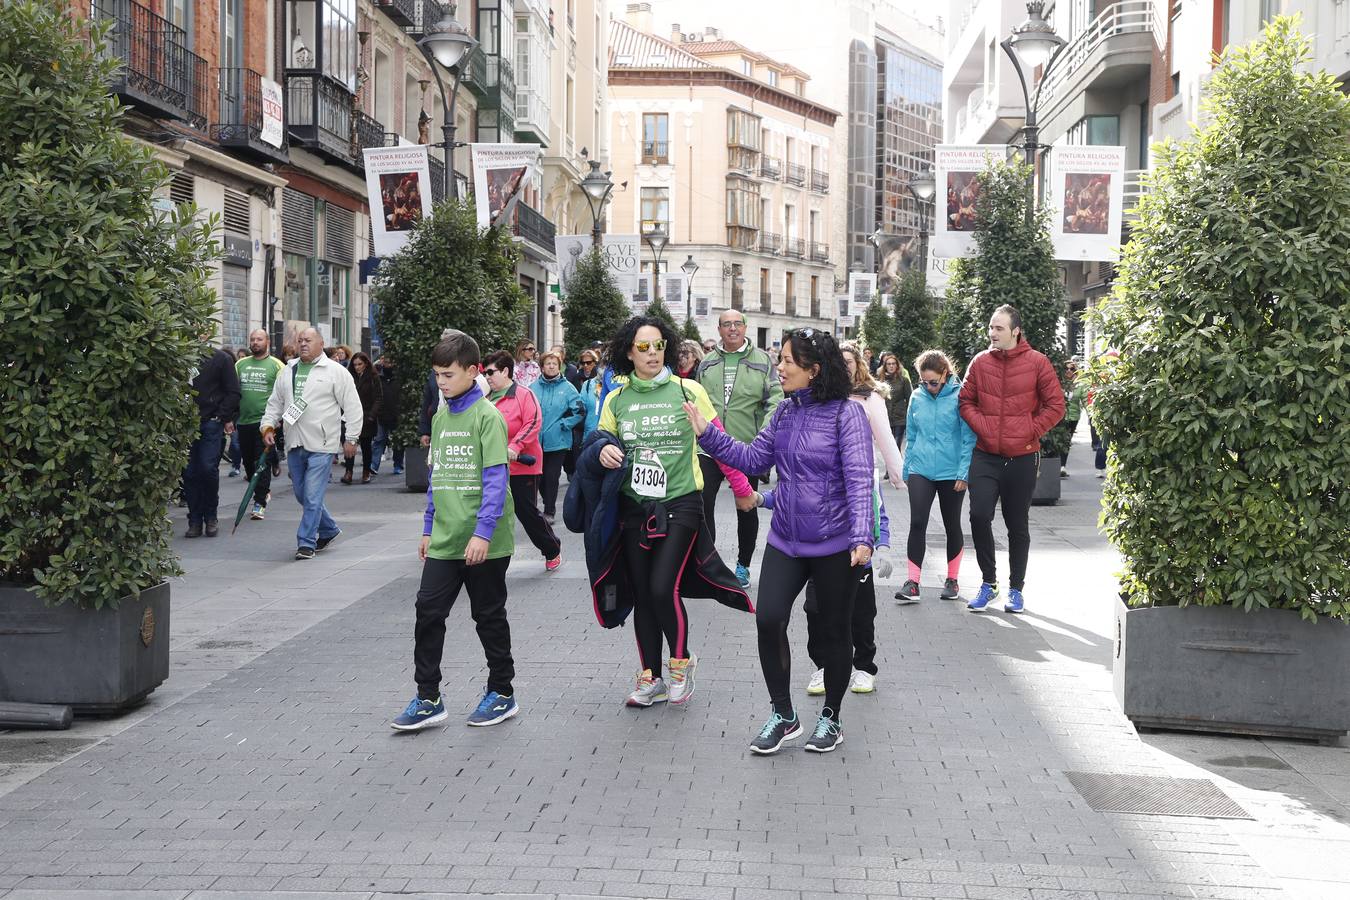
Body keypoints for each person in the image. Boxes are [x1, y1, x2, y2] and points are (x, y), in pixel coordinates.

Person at [691, 328, 874, 755]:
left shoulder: (848, 415)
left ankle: (831, 716)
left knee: (833, 632)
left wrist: (863, 538)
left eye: (789, 360)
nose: (781, 366)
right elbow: (754, 458)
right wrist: (707, 432)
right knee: (769, 618)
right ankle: (784, 715)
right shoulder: (785, 412)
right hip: (786, 539)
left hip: (835, 544)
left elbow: (861, 480)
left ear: (814, 369)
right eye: (781, 359)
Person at [585, 317, 753, 709]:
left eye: (658, 345)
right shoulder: (617, 399)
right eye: (642, 347)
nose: (651, 353)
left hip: (681, 502)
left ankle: (680, 663)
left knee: (663, 587)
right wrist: (602, 452)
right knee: (643, 594)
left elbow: (719, 440)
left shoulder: (688, 390)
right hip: (634, 508)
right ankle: (651, 676)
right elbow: (598, 444)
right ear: (629, 352)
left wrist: (742, 487)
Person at [391, 333, 520, 731]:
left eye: (448, 374)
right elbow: (437, 475)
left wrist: (482, 533)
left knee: (488, 616)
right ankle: (428, 697)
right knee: (428, 611)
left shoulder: (488, 417)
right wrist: (428, 527)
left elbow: (496, 480)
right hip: (446, 539)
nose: (441, 383)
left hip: (485, 541)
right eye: (437, 375)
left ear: (472, 371)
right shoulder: (441, 416)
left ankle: (502, 692)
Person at [959, 305, 1065, 613]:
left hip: (1022, 456)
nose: (992, 333)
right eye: (990, 327)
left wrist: (1030, 429)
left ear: (1015, 331)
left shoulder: (1037, 363)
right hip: (986, 455)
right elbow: (965, 400)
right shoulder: (980, 362)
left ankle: (1016, 589)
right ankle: (988, 583)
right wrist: (984, 426)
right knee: (979, 516)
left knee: (1017, 524)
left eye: (999, 328)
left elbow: (1055, 405)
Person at [695, 310, 784, 588]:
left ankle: (743, 566)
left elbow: (775, 399)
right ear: (719, 330)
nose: (732, 329)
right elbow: (696, 399)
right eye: (726, 324)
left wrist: (765, 435)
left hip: (746, 448)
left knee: (746, 504)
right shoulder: (707, 363)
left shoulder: (762, 361)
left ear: (745, 328)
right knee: (703, 501)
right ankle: (708, 563)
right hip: (709, 446)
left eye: (737, 324)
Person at [260, 327, 364, 560]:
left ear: (321, 343)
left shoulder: (336, 371)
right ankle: (329, 529)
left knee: (313, 494)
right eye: (300, 340)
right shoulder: (288, 370)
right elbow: (275, 403)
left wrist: (352, 438)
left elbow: (353, 406)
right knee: (302, 494)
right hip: (295, 442)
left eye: (308, 340)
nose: (303, 344)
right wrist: (267, 426)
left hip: (323, 443)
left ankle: (306, 542)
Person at [897, 350, 977, 604]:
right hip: (921, 469)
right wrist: (907, 469)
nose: (929, 387)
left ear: (945, 374)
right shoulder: (917, 397)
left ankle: (952, 579)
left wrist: (964, 472)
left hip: (951, 471)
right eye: (924, 382)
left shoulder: (960, 396)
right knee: (917, 522)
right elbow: (912, 434)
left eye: (934, 382)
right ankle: (913, 583)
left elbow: (968, 438)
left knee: (951, 524)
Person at [482, 349, 562, 572]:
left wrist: (514, 447)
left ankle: (552, 548)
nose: (487, 377)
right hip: (494, 466)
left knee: (526, 513)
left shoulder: (524, 395)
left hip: (521, 466)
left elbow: (533, 423)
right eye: (484, 372)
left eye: (491, 372)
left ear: (505, 371)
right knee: (488, 510)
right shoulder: (485, 400)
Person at [183, 339, 241, 538]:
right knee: (189, 472)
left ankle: (210, 516)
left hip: (210, 422)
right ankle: (195, 519)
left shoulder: (221, 359)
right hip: (186, 424)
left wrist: (223, 416)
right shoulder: (180, 357)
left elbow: (233, 391)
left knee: (207, 469)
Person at [234, 329, 284, 520]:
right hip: (244, 422)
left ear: (268, 342)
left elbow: (284, 393)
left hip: (265, 424)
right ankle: (263, 492)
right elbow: (232, 390)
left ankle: (259, 502)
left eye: (259, 339)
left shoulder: (277, 365)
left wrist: (279, 419)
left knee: (260, 463)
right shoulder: (240, 364)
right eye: (253, 339)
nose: (255, 342)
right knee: (248, 465)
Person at [534, 350, 584, 524]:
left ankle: (549, 511)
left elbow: (580, 411)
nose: (552, 366)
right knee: (539, 477)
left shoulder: (567, 387)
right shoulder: (533, 387)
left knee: (552, 476)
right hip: (537, 441)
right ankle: (545, 503)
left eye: (555, 363)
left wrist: (565, 424)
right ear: (542, 367)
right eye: (548, 363)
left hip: (559, 440)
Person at [343, 352, 382, 484]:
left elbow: (378, 397)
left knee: (366, 446)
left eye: (360, 364)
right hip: (351, 414)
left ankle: (366, 471)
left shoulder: (373, 377)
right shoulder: (349, 377)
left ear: (366, 364)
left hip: (367, 415)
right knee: (350, 442)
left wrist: (372, 415)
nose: (357, 367)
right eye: (355, 365)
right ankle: (349, 471)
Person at [371, 355, 403, 476]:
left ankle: (398, 465)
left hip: (397, 413)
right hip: (382, 413)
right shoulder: (378, 377)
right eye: (385, 359)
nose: (388, 362)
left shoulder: (399, 376)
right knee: (379, 440)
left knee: (397, 442)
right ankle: (373, 465)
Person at [878, 352, 912, 450]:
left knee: (896, 447)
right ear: (885, 366)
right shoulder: (880, 381)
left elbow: (910, 399)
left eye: (893, 364)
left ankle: (898, 465)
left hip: (900, 418)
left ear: (897, 366)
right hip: (885, 417)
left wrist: (908, 416)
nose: (891, 366)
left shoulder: (904, 380)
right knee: (888, 448)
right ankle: (892, 465)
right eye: (889, 364)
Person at [1061, 359, 1085, 477]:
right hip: (1059, 417)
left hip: (1073, 417)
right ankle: (1058, 465)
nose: (1069, 371)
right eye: (1067, 368)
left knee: (1066, 441)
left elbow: (1085, 399)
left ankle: (1062, 466)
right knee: (1059, 441)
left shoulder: (1080, 385)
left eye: (1072, 369)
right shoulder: (1058, 383)